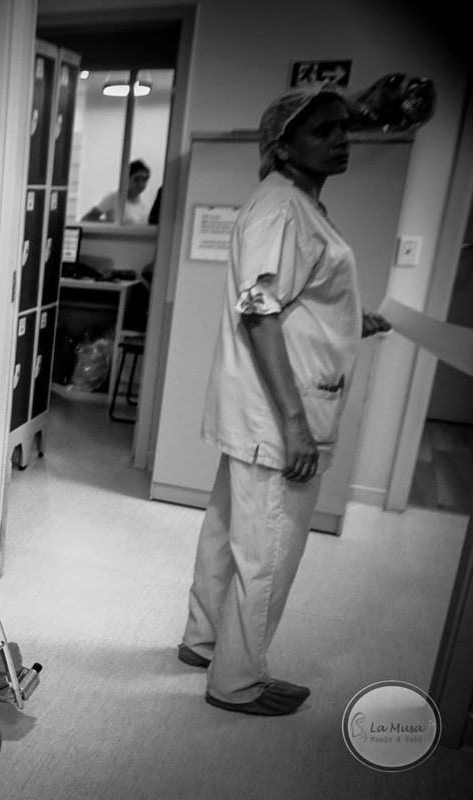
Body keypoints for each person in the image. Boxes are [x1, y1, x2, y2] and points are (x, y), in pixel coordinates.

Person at [177, 84, 391, 716]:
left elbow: (293, 300)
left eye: (343, 127)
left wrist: (352, 319)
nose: (341, 138)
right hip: (279, 415)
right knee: (268, 549)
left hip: (263, 407)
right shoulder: (282, 208)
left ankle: (204, 642)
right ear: (282, 144)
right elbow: (259, 310)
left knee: (227, 530)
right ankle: (236, 681)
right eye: (323, 130)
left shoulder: (294, 205)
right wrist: (296, 425)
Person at [82, 159, 151, 224]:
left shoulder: (143, 204)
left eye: (144, 179)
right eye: (137, 179)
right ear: (126, 179)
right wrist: (113, 225)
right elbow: (87, 219)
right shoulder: (114, 197)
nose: (141, 184)